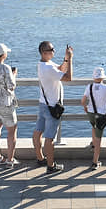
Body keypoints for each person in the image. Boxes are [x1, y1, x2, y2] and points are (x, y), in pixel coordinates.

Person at [33, 41, 73, 174]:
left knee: (38, 131)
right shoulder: (48, 68)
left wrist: (66, 58)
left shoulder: (43, 64)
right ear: (44, 53)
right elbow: (68, 78)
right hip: (52, 106)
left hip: (43, 103)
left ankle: (40, 158)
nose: (53, 51)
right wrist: (71, 60)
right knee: (49, 138)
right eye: (51, 50)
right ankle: (50, 166)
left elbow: (61, 69)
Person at [81, 67, 106, 169]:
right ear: (103, 77)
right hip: (101, 115)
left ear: (94, 77)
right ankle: (95, 162)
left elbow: (83, 101)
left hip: (90, 113)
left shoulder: (89, 87)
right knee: (99, 139)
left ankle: (93, 144)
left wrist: (85, 107)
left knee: (94, 126)